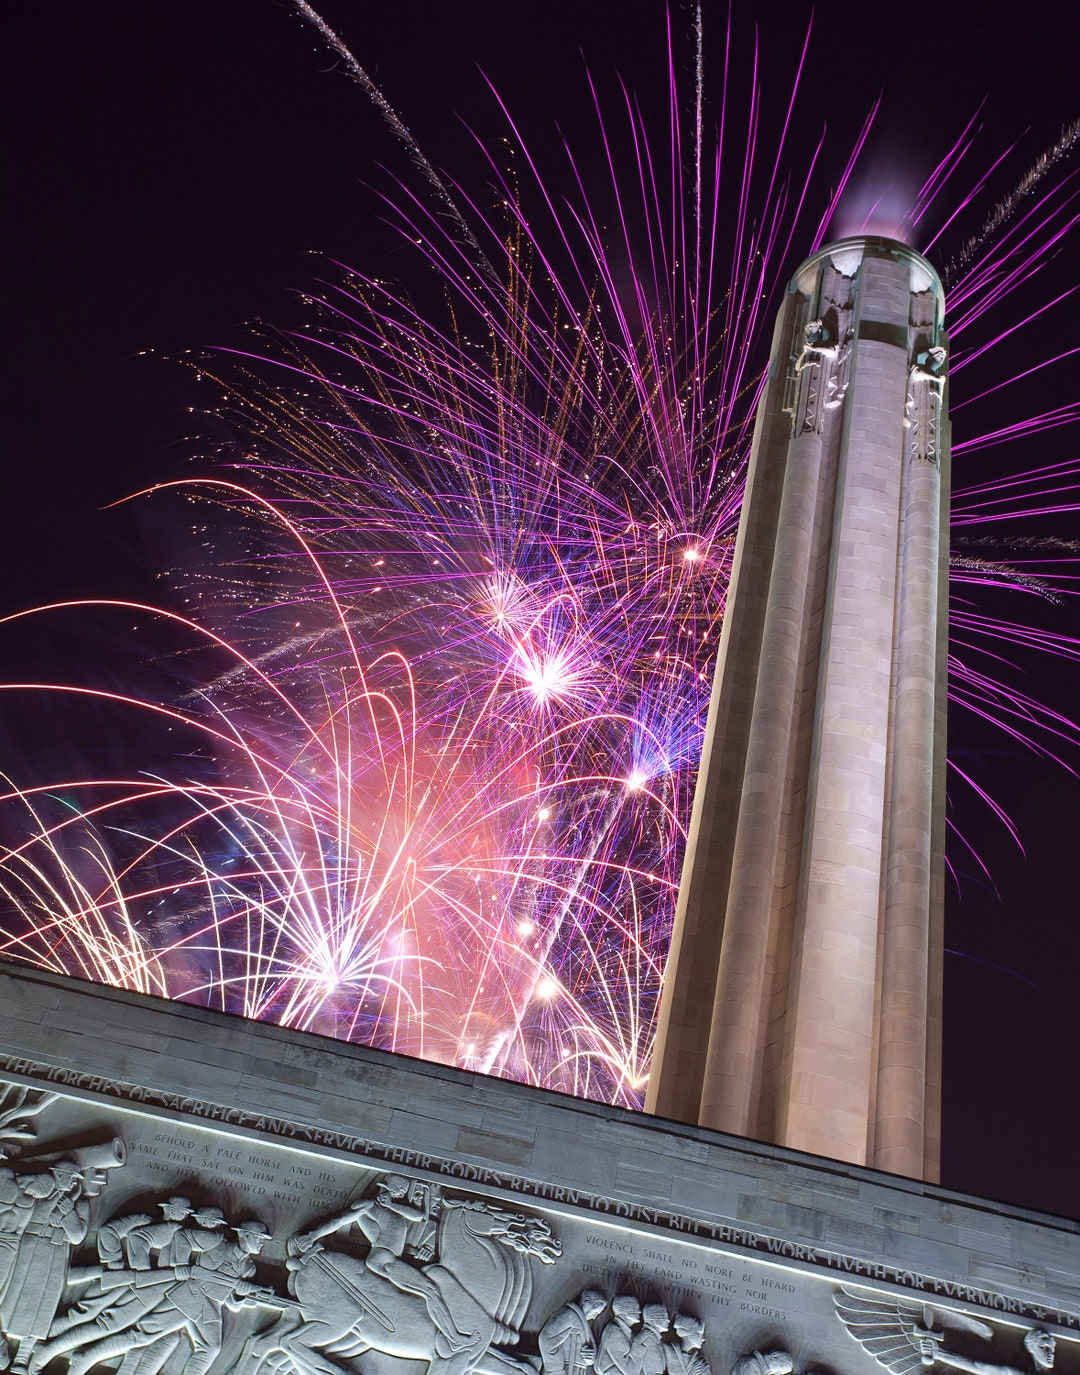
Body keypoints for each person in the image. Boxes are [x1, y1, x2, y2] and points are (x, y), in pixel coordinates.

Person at [538, 1288, 606, 1375]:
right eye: (595, 1312)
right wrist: (556, 1370)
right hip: (564, 1370)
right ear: (587, 1300)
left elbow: (588, 1346)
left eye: (597, 1314)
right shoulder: (568, 1314)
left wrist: (590, 1358)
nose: (594, 1317)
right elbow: (545, 1339)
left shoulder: (582, 1321)